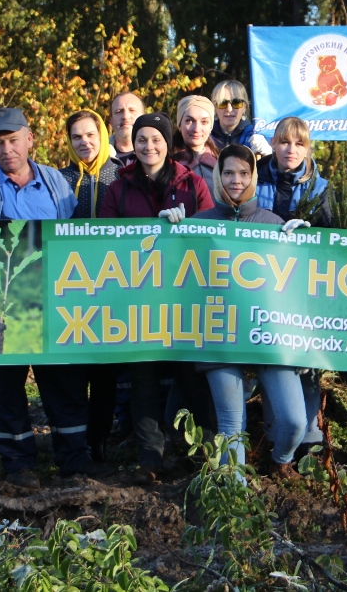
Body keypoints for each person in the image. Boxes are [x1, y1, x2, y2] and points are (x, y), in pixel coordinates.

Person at [0, 107, 109, 487]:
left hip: (52, 302)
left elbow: (74, 242)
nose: (7, 149)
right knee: (4, 386)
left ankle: (74, 459)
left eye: (13, 140)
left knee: (64, 382)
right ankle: (17, 464)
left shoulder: (56, 182)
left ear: (30, 139)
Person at [99, 111, 214, 484]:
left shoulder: (191, 183)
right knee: (142, 375)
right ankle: (150, 456)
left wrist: (189, 228)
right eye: (143, 139)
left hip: (184, 298)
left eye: (157, 140)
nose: (149, 146)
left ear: (169, 144)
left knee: (191, 376)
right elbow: (102, 237)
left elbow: (215, 233)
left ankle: (206, 451)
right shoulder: (118, 188)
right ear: (133, 144)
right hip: (136, 298)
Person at [192, 144, 312, 477]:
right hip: (219, 336)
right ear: (217, 175)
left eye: (244, 173)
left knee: (294, 421)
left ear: (254, 177)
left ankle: (280, 463)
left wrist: (305, 243)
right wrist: (171, 229)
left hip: (267, 337)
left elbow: (297, 287)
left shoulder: (273, 224)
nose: (236, 180)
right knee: (232, 422)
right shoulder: (197, 224)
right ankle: (236, 499)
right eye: (228, 172)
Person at [255, 116, 331, 455]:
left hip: (305, 290)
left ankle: (309, 442)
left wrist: (313, 228)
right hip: (262, 286)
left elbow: (333, 237)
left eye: (299, 143)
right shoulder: (255, 178)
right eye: (284, 142)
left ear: (308, 148)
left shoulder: (321, 187)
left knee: (306, 360)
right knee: (274, 358)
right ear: (273, 143)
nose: (291, 149)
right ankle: (274, 435)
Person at [60, 109, 124, 462]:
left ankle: (100, 441)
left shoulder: (120, 175)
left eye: (90, 135)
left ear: (103, 136)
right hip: (70, 288)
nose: (84, 142)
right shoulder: (59, 179)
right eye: (76, 137)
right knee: (74, 368)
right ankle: (75, 440)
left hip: (112, 286)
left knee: (105, 371)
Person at [209, 79, 273, 156]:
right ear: (214, 107)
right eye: (222, 103)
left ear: (245, 107)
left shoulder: (257, 136)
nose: (229, 109)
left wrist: (268, 157)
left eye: (236, 103)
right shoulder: (206, 136)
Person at [172, 95, 220, 193]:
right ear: (179, 125)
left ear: (211, 127)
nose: (197, 129)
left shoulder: (222, 161)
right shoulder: (167, 163)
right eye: (189, 121)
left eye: (204, 122)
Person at [109, 92, 146, 161]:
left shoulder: (158, 155)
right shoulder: (98, 155)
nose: (125, 116)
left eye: (132, 110)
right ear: (111, 121)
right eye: (119, 111)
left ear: (144, 117)